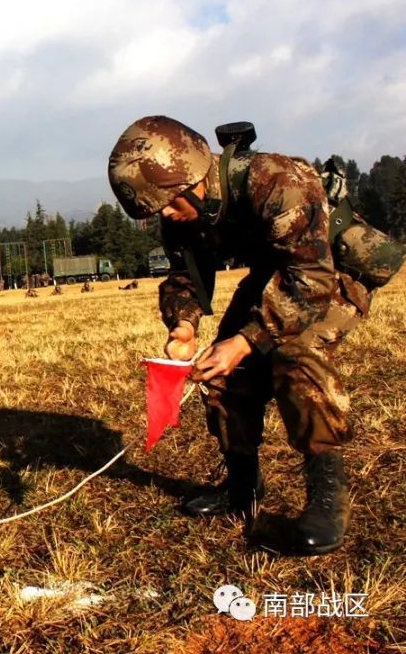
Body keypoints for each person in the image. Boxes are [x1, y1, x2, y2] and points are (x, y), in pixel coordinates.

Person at [107, 115, 371, 555]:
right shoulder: (181, 204)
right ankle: (242, 486)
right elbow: (184, 277)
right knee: (220, 369)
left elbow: (311, 281)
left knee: (293, 352)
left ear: (192, 176)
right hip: (277, 273)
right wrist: (184, 327)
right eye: (158, 211)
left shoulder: (278, 181)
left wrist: (247, 340)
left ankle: (328, 495)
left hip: (330, 272)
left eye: (170, 204)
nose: (168, 216)